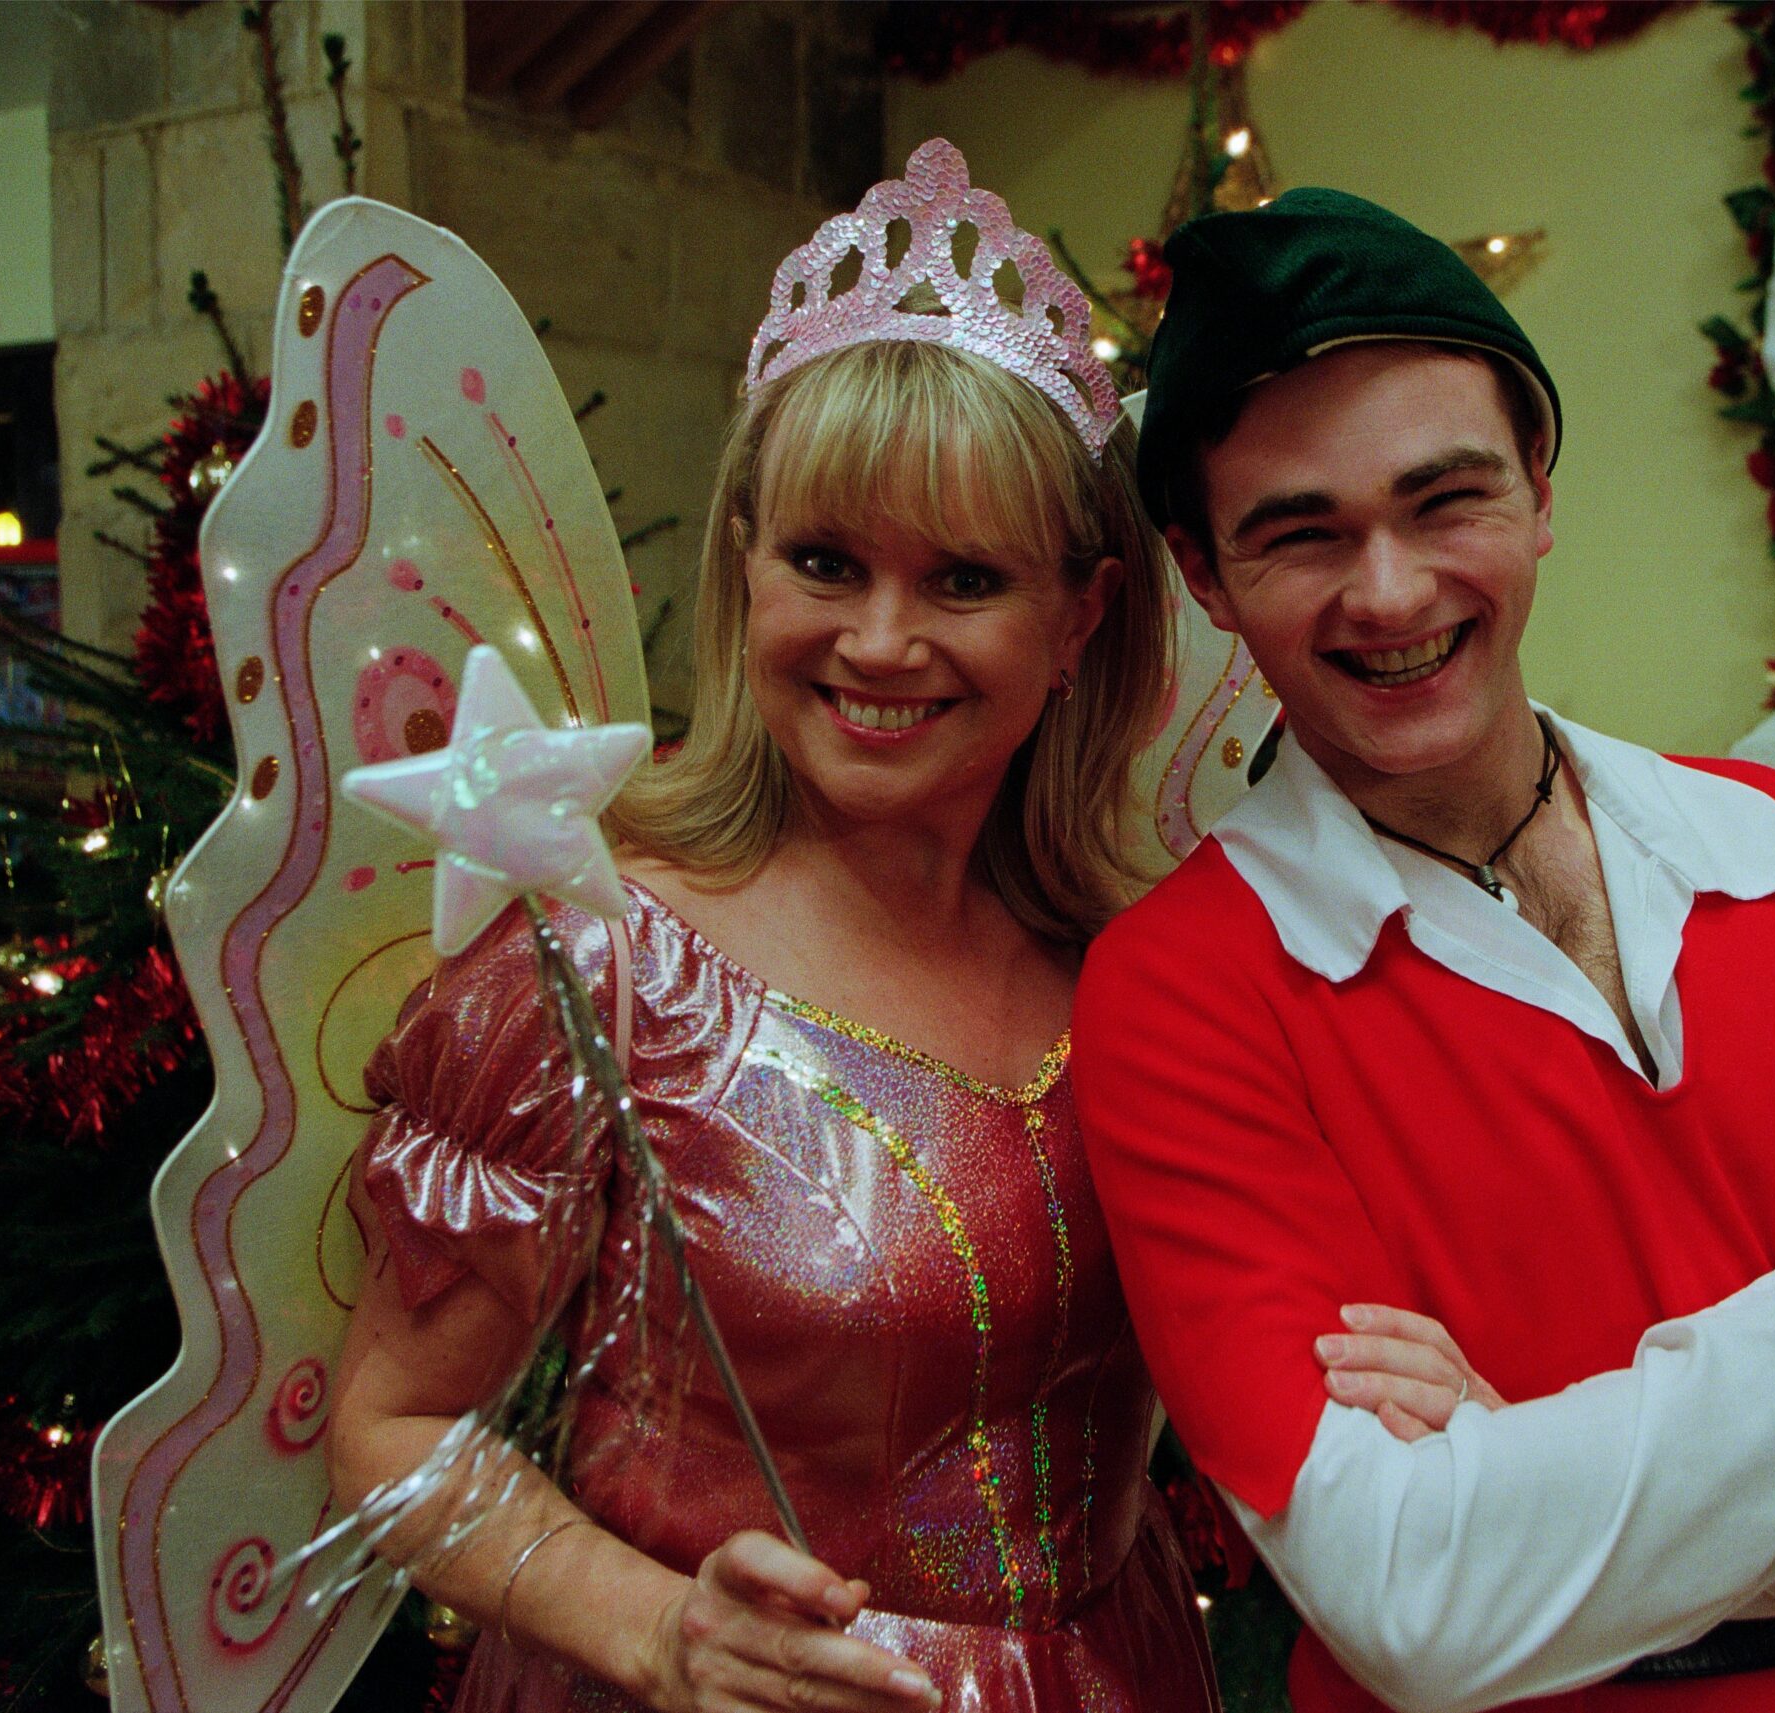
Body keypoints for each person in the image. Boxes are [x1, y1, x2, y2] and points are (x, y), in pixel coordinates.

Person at [1071, 188, 1775, 1713]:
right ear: (1205, 576)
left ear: (1538, 488)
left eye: (1443, 499)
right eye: (1299, 533)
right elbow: (1421, 1600)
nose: (1389, 591)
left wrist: (1537, 1465)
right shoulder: (1182, 995)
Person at [323, 142, 1253, 1713]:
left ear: (1079, 618)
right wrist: (652, 1627)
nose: (878, 642)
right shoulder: (596, 962)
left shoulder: (1147, 970)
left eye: (964, 578)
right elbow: (388, 1433)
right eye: (825, 561)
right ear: (745, 561)